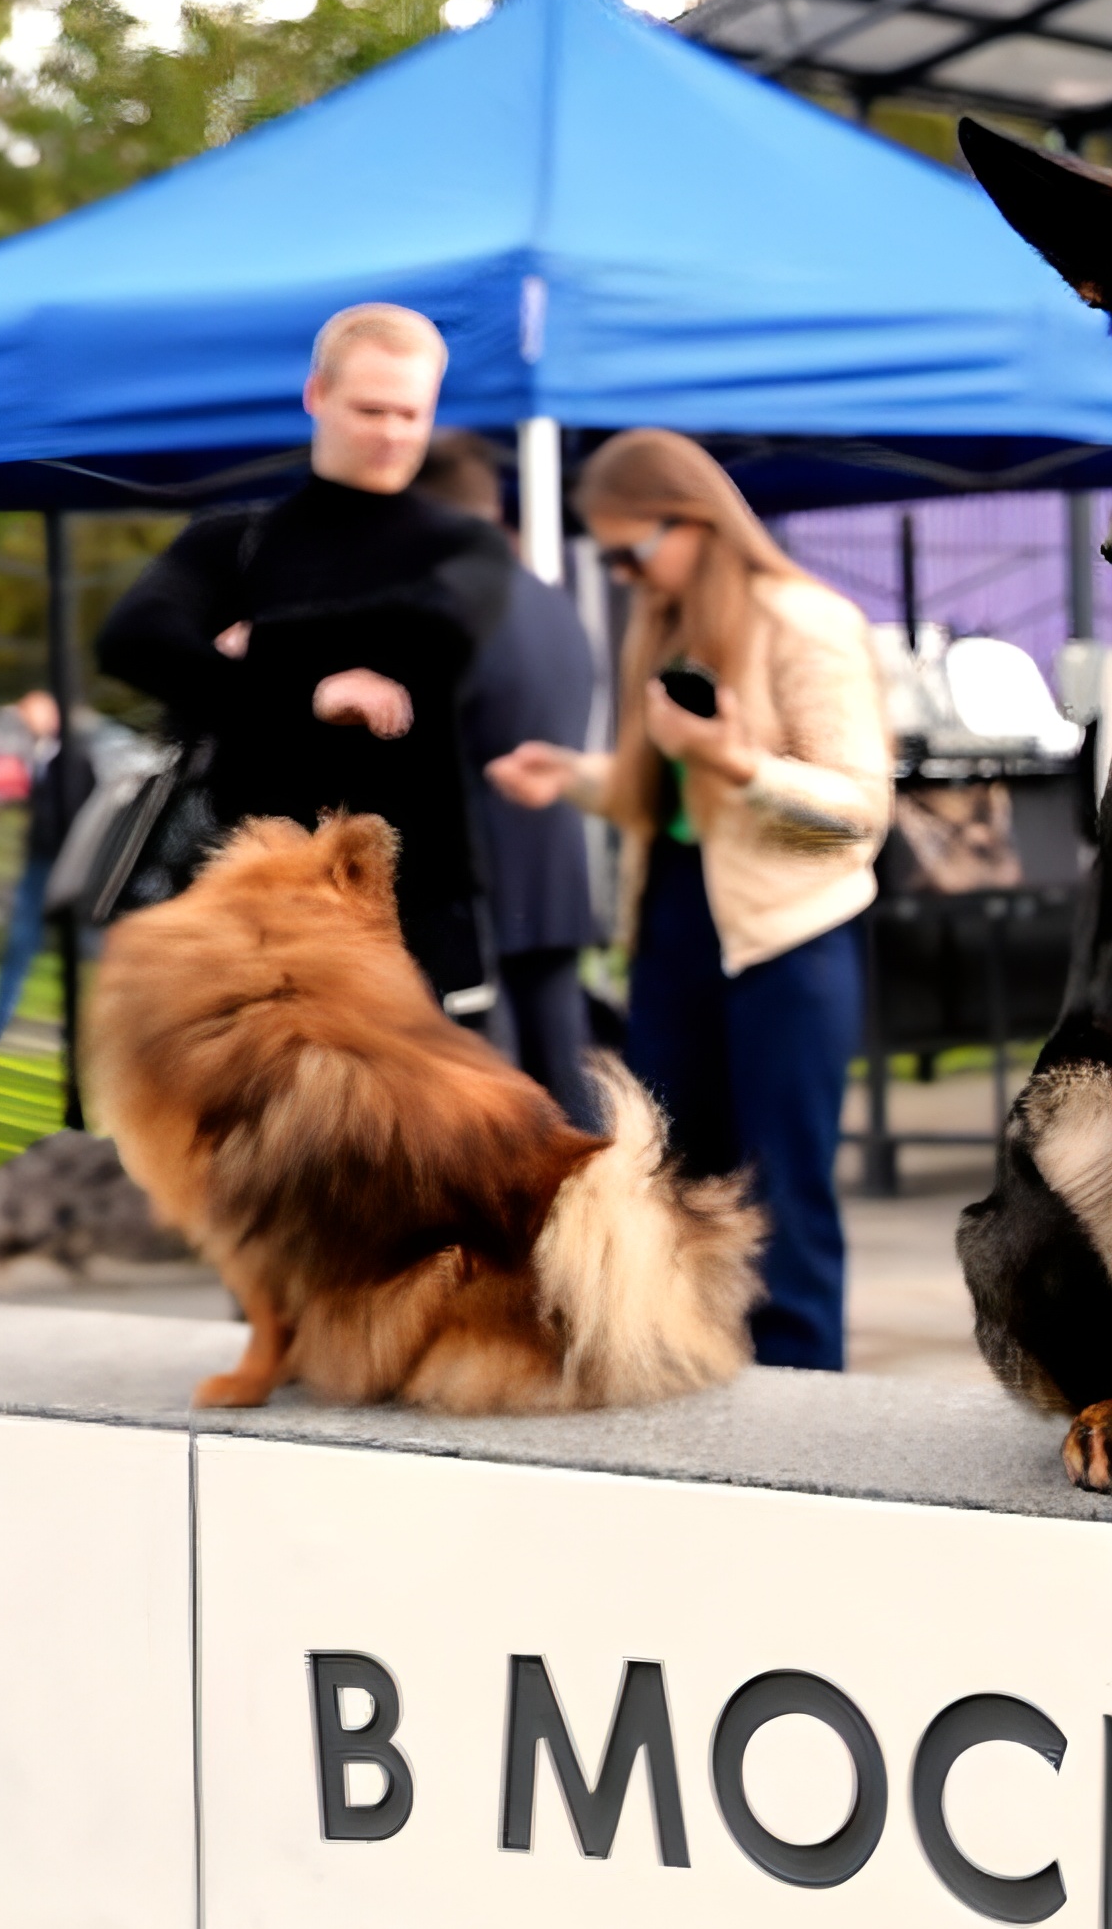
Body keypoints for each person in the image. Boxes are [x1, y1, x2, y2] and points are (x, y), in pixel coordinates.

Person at [487, 428, 891, 1372]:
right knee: (672, 1183)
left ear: (696, 522)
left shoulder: (805, 622)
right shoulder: (663, 625)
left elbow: (855, 819)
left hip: (788, 938)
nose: (624, 573)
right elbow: (659, 803)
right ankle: (698, 1375)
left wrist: (739, 761)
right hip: (673, 928)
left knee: (782, 1191)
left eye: (632, 550)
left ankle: (802, 1403)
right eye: (608, 555)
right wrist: (577, 776)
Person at [94, 304, 512, 1014]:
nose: (390, 434)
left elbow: (444, 660)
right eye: (369, 410)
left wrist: (259, 650)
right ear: (317, 395)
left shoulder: (464, 550)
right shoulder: (238, 540)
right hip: (256, 895)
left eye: (410, 414)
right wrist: (310, 692)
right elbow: (133, 639)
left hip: (412, 915)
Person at [417, 429, 600, 1130]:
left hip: (470, 886)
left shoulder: (444, 599)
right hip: (551, 868)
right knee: (565, 1092)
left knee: (488, 1118)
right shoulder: (547, 596)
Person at [0, 691, 92, 1046]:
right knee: (20, 942)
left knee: (63, 946)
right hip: (39, 864)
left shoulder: (73, 762)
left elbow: (77, 816)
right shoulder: (41, 756)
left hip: (61, 866)